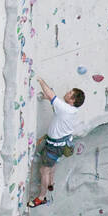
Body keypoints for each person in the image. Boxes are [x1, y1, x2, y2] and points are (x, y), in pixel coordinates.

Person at [27, 77, 85, 207]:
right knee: (52, 164)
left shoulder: (65, 109)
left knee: (44, 170)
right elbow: (55, 102)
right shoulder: (70, 110)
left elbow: (52, 95)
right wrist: (46, 98)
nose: (67, 93)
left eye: (70, 94)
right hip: (61, 144)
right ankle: (51, 183)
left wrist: (41, 81)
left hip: (54, 146)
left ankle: (41, 197)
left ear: (72, 100)